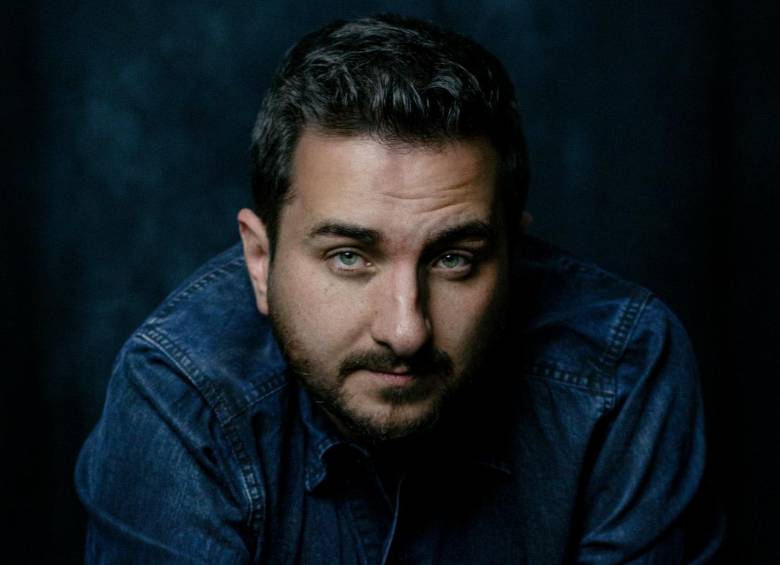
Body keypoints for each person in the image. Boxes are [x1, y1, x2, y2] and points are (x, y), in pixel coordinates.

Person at [75, 14, 722, 563]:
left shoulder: (622, 369)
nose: (406, 330)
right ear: (259, 259)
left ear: (512, 254)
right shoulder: (183, 393)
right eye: (349, 256)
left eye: (454, 260)